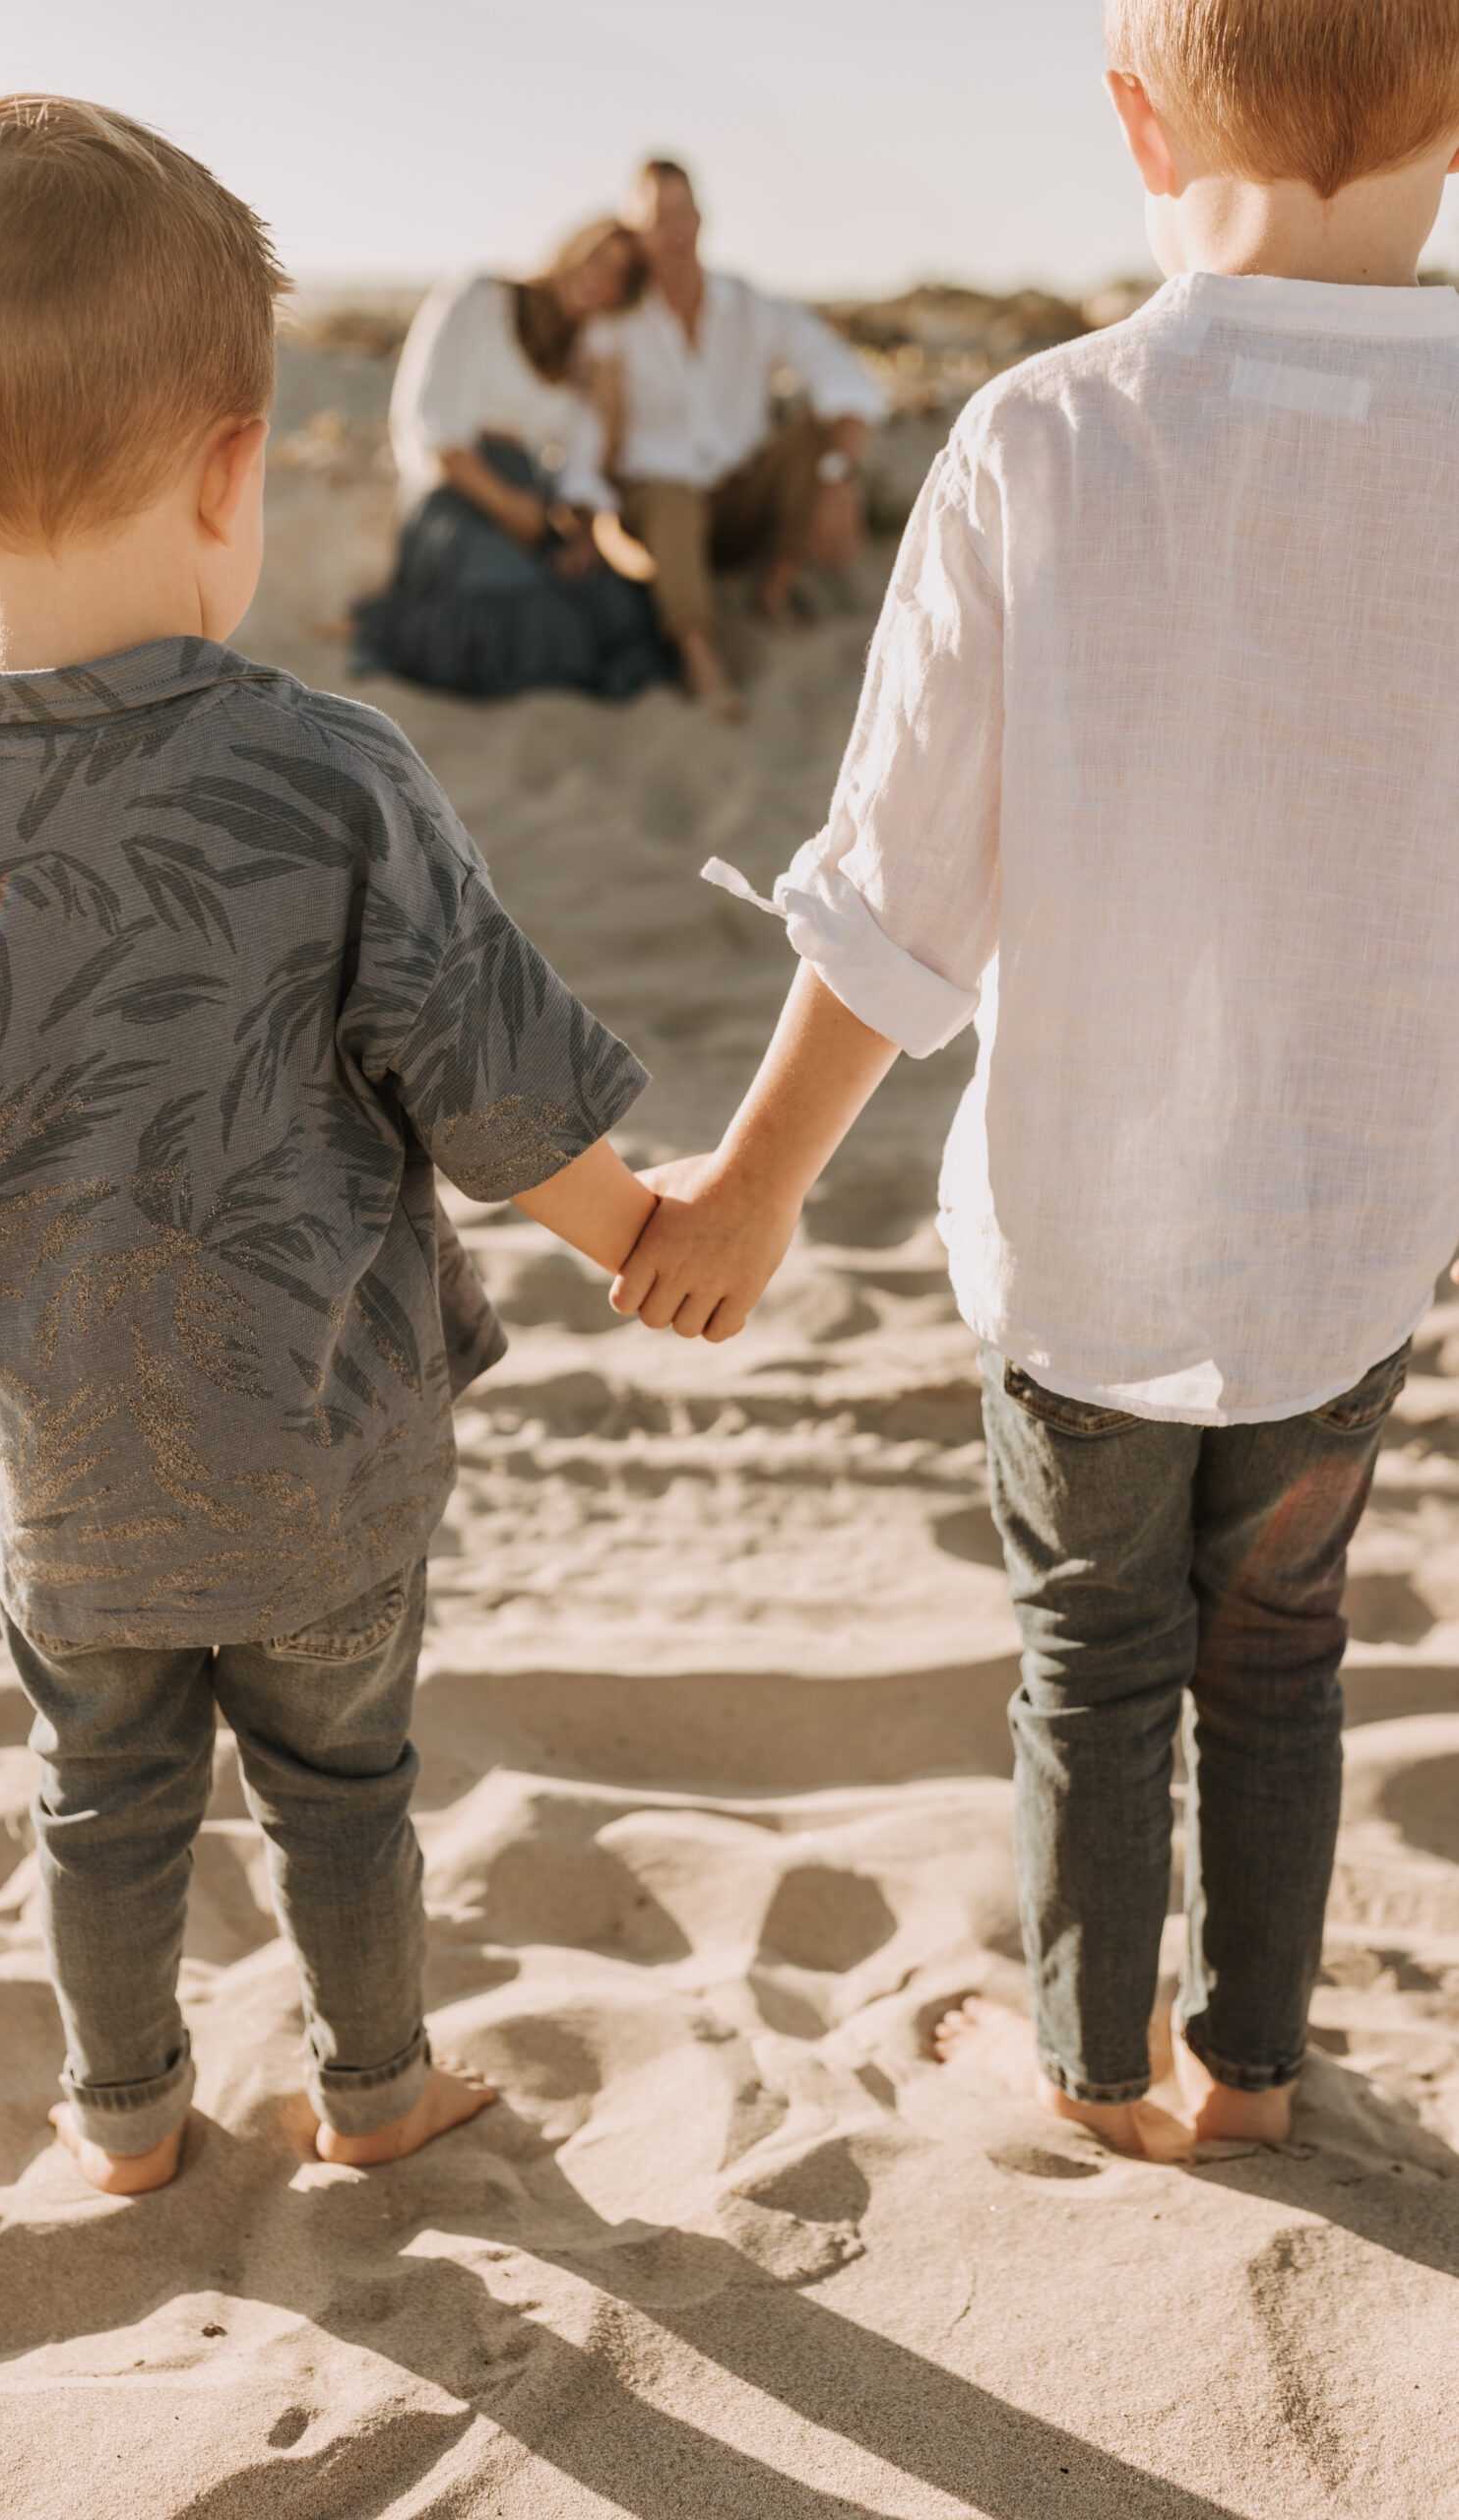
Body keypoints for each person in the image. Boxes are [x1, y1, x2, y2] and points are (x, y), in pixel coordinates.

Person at [0, 94, 660, 2196]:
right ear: (236, 462)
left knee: (100, 1792)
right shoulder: (328, 774)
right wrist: (653, 1231)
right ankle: (374, 2089)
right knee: (343, 1782)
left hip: (61, 1480)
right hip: (321, 1464)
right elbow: (491, 1079)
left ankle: (127, 2118)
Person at [610, 0, 1459, 2160]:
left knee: (1092, 1657)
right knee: (1278, 1651)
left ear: (1132, 124)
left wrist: (751, 1190)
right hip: (1350, 1240)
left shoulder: (1045, 435)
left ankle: (1091, 2071)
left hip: (1083, 1241)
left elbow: (897, 900)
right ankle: (1250, 2075)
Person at [586, 159, 888, 722]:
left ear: (701, 219)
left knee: (819, 431)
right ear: (635, 235)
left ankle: (771, 595)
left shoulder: (748, 306)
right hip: (658, 513)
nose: (674, 230)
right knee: (671, 495)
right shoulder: (614, 326)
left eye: (683, 213)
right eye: (657, 219)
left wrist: (839, 477)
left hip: (741, 502)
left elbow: (845, 378)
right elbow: (589, 432)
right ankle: (701, 657)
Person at [351, 222, 670, 699]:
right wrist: (506, 506)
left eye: (620, 278)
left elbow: (580, 465)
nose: (603, 280)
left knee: (611, 598)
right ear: (573, 246)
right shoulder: (482, 296)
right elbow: (431, 426)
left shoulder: (585, 351)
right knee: (516, 599)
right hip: (453, 493)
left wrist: (583, 530)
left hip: (531, 500)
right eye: (599, 260)